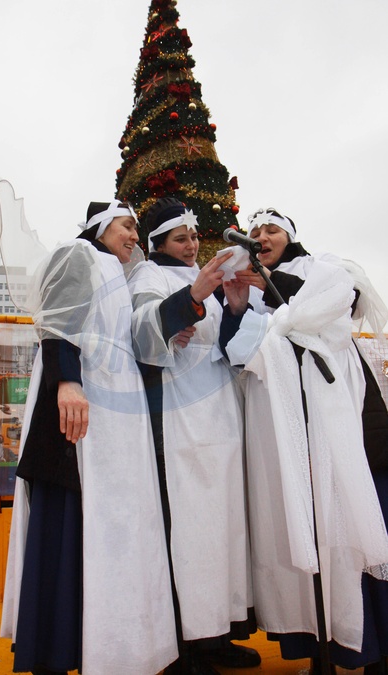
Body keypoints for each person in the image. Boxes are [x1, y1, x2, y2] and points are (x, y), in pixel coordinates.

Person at [0, 200, 178, 675]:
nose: (134, 236)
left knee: (111, 523)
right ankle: (58, 649)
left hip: (116, 413)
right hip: (82, 403)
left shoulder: (120, 273)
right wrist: (68, 381)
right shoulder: (79, 254)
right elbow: (57, 320)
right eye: (126, 226)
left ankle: (109, 644)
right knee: (73, 513)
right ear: (100, 228)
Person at [220, 207, 388, 674]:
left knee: (346, 522)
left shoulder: (321, 268)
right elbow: (235, 350)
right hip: (277, 422)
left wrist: (268, 282)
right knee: (294, 526)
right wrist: (238, 308)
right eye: (255, 231)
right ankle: (319, 651)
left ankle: (369, 646)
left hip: (333, 412)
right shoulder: (246, 283)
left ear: (290, 236)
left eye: (271, 229)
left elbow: (340, 303)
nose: (261, 236)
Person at [127, 197, 260, 675]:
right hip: (179, 413)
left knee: (225, 523)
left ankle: (217, 633)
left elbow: (225, 344)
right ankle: (185, 643)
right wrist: (189, 300)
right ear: (158, 243)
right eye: (180, 238)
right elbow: (141, 332)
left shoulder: (203, 277)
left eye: (193, 237)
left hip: (220, 411)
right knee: (189, 528)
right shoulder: (149, 276)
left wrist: (236, 307)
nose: (191, 245)